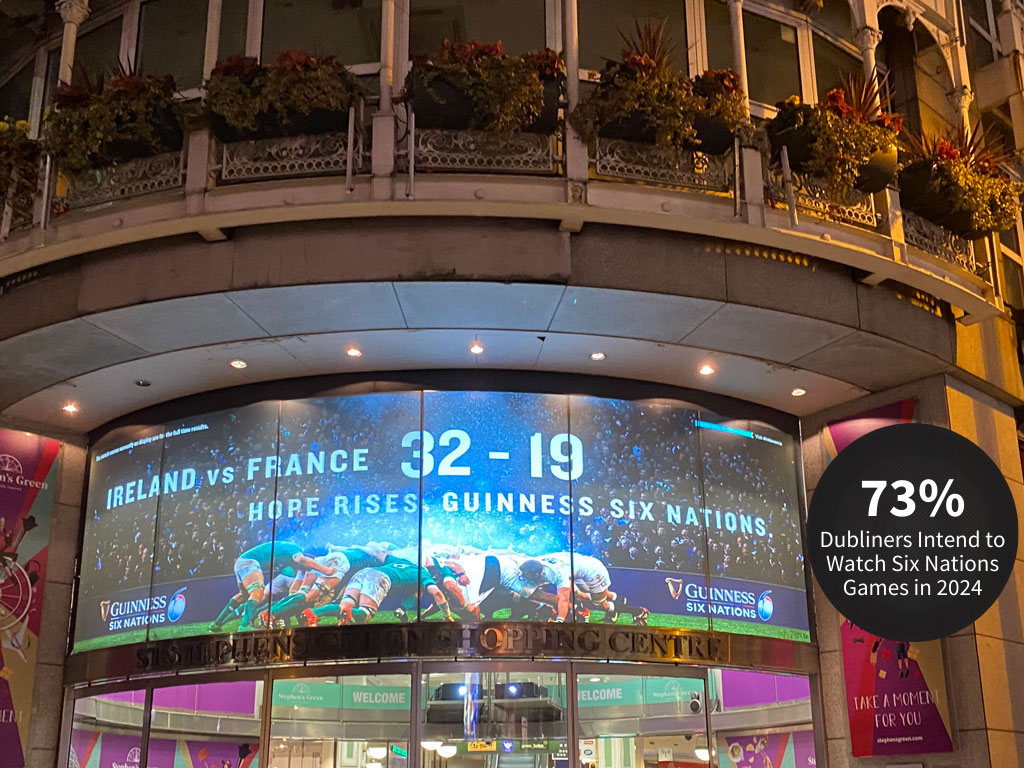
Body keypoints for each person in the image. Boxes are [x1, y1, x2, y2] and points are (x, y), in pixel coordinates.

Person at [209, 541, 336, 631]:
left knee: (244, 595)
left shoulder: (288, 560)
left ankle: (217, 624)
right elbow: (301, 560)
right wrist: (325, 570)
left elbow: (297, 581)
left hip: (242, 563)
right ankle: (244, 627)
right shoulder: (296, 549)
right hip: (250, 562)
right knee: (257, 592)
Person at [302, 558, 453, 626]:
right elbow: (436, 593)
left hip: (364, 572)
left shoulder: (404, 562)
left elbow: (382, 555)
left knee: (346, 605)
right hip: (379, 578)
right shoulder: (424, 573)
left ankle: (314, 613)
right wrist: (447, 616)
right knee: (364, 615)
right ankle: (348, 613)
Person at [519, 553, 649, 624]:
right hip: (577, 569)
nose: (524, 576)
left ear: (537, 574)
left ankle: (637, 611)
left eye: (527, 575)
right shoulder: (536, 562)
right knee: (580, 596)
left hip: (593, 571)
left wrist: (559, 621)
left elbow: (563, 600)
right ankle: (611, 609)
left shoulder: (558, 574)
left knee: (599, 603)